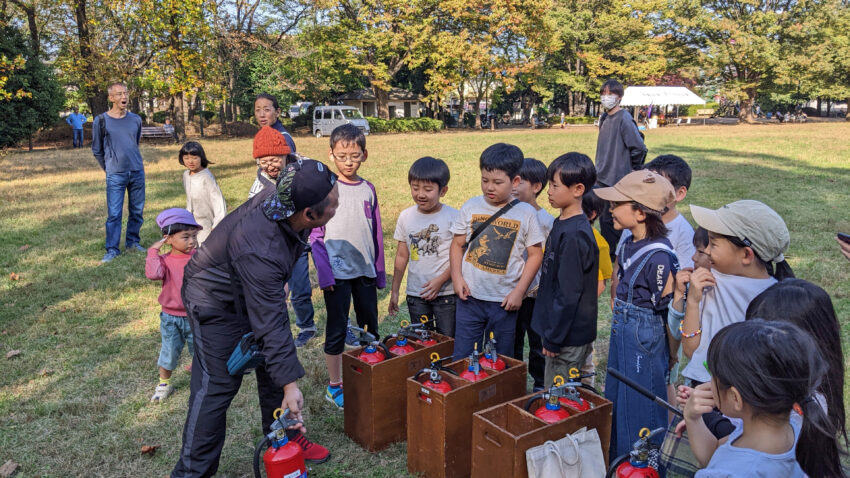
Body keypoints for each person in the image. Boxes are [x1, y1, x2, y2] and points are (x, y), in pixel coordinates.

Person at [171, 159, 337, 476]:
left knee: (272, 369)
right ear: (309, 214)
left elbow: (269, 315)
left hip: (248, 288)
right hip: (213, 302)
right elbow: (272, 324)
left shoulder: (285, 197)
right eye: (331, 200)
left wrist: (283, 380)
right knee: (216, 388)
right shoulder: (261, 247)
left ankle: (285, 441)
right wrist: (292, 384)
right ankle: (191, 473)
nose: (336, 201)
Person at [684, 320, 845, 478]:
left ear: (736, 398)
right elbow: (715, 455)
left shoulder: (729, 472)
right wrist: (693, 419)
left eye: (713, 377)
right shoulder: (790, 430)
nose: (709, 383)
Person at [594, 169, 678, 458]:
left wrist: (672, 354)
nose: (611, 209)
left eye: (617, 204)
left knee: (640, 406)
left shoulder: (659, 256)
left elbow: (667, 310)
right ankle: (618, 461)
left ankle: (642, 464)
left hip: (644, 338)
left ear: (641, 213)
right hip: (624, 331)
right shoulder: (628, 241)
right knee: (617, 398)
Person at [310, 124, 385, 410]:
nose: (349, 161)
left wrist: (379, 270)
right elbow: (316, 235)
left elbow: (376, 232)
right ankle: (334, 385)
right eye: (343, 156)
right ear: (331, 155)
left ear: (364, 154)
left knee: (370, 327)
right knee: (337, 327)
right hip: (337, 275)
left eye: (355, 155)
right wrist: (324, 272)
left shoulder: (368, 189)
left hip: (364, 271)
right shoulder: (325, 188)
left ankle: (371, 372)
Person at [679, 200, 794, 386]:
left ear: (747, 255)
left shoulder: (776, 301)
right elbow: (691, 351)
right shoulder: (707, 282)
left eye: (713, 244)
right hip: (703, 389)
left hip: (742, 399)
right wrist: (692, 301)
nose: (706, 252)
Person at [449, 143, 545, 360]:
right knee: (463, 357)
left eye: (497, 182)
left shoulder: (526, 213)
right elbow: (457, 245)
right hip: (469, 299)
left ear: (515, 182)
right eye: (485, 180)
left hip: (503, 302)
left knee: (499, 361)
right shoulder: (471, 206)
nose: (489, 187)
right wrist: (457, 277)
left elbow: (535, 254)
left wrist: (519, 292)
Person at [530, 153, 598, 387]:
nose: (548, 191)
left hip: (566, 339)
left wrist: (554, 338)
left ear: (578, 189)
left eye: (554, 186)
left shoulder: (575, 235)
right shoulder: (562, 223)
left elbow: (569, 294)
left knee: (558, 399)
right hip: (557, 331)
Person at [389, 156, 459, 336]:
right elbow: (402, 256)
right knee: (421, 342)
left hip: (446, 295)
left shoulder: (453, 217)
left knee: (446, 342)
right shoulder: (406, 217)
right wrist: (395, 290)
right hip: (416, 294)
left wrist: (440, 280)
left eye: (428, 189)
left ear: (443, 190)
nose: (420, 194)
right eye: (415, 188)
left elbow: (459, 256)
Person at [145, 208, 201, 402]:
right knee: (169, 352)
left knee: (201, 351)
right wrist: (153, 251)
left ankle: (200, 376)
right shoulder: (164, 261)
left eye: (194, 236)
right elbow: (153, 274)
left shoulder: (199, 257)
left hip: (196, 315)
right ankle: (163, 383)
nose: (192, 241)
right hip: (171, 318)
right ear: (168, 239)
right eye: (185, 237)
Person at [512, 158, 554, 391]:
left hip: (536, 296)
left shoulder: (546, 221)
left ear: (536, 187)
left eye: (520, 182)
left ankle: (540, 385)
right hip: (511, 292)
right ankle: (514, 384)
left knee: (538, 343)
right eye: (513, 181)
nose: (514, 186)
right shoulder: (510, 214)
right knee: (512, 341)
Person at [92, 82, 145, 263]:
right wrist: (109, 168)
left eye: (126, 93)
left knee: (137, 211)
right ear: (111, 98)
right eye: (119, 94)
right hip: (115, 174)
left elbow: (134, 142)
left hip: (137, 171)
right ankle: (112, 249)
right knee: (114, 214)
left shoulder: (136, 119)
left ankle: (132, 242)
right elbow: (97, 149)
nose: (124, 97)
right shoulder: (101, 121)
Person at [594, 79, 647, 259]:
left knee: (615, 218)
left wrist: (633, 168)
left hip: (617, 179)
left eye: (611, 94)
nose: (606, 97)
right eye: (604, 93)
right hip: (601, 177)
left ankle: (617, 255)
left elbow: (639, 147)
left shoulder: (624, 118)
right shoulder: (604, 118)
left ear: (620, 97)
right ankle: (607, 254)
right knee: (604, 220)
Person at [577, 187, 613, 386]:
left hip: (583, 314)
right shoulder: (560, 229)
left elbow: (602, 282)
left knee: (585, 360)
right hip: (562, 309)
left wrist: (582, 305)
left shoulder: (600, 244)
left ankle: (587, 393)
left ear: (592, 214)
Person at [180, 141, 226, 245]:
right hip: (191, 220)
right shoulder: (186, 175)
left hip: (206, 221)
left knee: (204, 246)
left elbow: (218, 201)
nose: (190, 161)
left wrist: (217, 223)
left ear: (201, 157)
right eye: (186, 158)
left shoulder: (206, 177)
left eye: (195, 158)